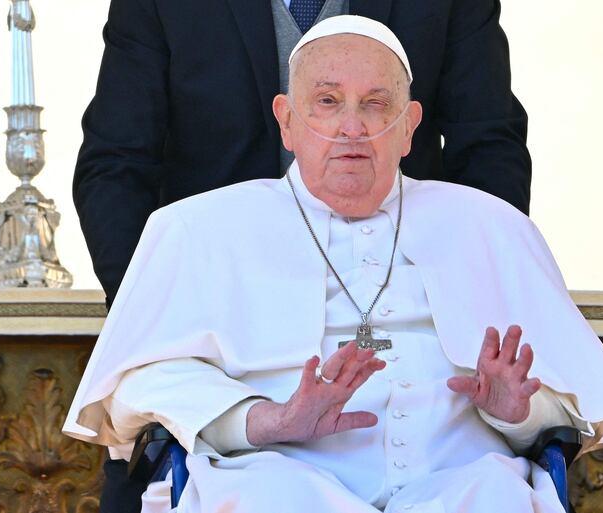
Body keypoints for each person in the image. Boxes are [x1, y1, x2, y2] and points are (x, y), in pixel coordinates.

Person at [65, 16, 603, 513]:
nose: (352, 127)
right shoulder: (197, 228)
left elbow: (568, 408)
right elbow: (139, 389)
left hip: (459, 482)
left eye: (376, 104)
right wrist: (268, 419)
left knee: (498, 495)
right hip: (278, 477)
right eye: (327, 102)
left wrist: (517, 413)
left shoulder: (491, 227)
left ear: (410, 126)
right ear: (286, 121)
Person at [74, 0, 532, 309]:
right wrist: (151, 312)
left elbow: (489, 145)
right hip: (218, 305)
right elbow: (116, 162)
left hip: (406, 304)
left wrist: (470, 303)